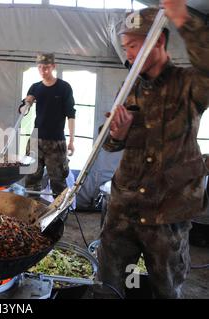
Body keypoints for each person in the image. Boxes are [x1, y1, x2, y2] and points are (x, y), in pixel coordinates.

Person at [97, 1, 209, 298]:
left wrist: (185, 20)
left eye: (133, 46)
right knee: (108, 285)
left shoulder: (188, 85)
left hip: (167, 213)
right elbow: (107, 142)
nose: (128, 54)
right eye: (125, 46)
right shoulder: (131, 85)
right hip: (123, 209)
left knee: (165, 289)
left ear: (157, 40)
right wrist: (116, 134)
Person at [19, 53, 76, 197]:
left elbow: (71, 115)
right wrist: (26, 103)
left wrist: (71, 141)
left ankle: (59, 217)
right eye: (40, 68)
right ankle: (32, 213)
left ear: (53, 67)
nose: (43, 71)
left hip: (56, 142)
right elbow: (22, 110)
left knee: (58, 182)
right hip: (35, 141)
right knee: (31, 179)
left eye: (46, 68)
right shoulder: (35, 88)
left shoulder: (64, 88)